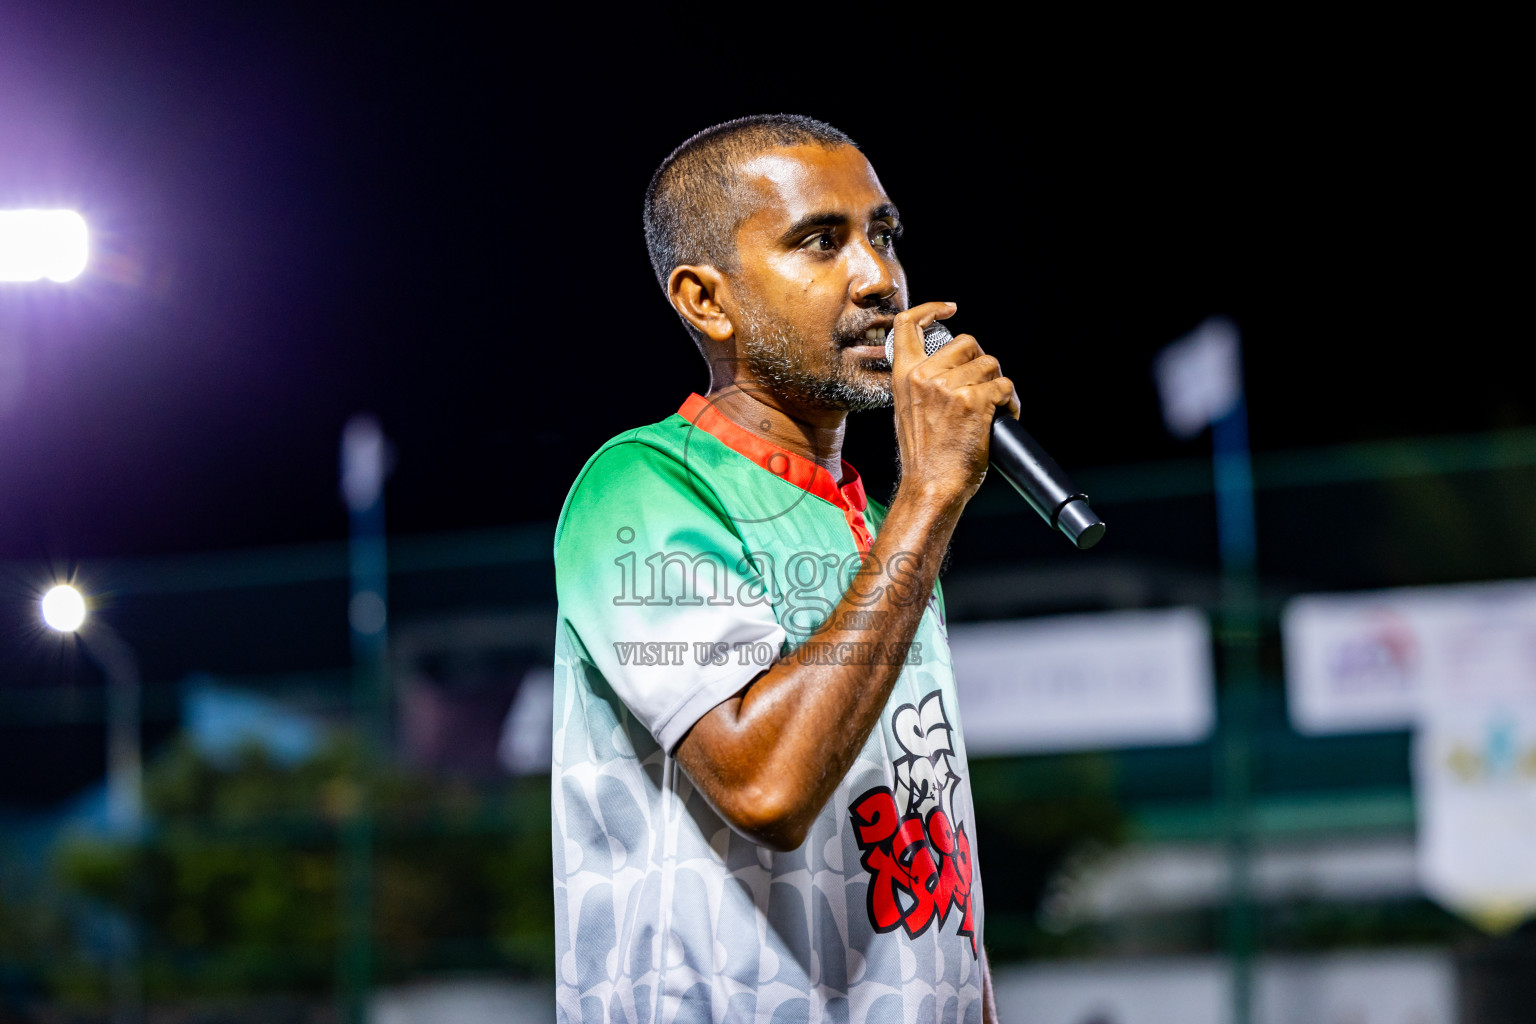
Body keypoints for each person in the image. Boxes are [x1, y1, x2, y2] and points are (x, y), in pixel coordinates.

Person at [552, 114, 1017, 1024]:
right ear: (706, 300)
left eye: (883, 234)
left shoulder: (881, 529)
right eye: (820, 241)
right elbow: (767, 788)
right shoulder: (643, 485)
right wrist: (929, 497)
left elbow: (937, 871)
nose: (880, 278)